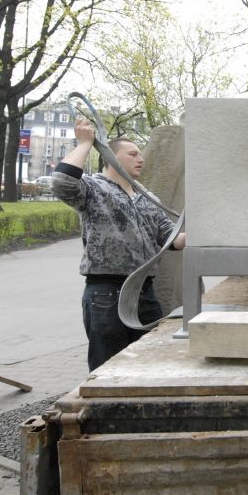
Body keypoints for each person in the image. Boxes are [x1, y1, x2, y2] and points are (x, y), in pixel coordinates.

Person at [53, 117, 186, 371]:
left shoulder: (146, 198)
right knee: (108, 368)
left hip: (144, 295)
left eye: (140, 154)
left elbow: (172, 240)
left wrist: (202, 231)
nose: (140, 159)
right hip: (106, 294)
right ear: (111, 158)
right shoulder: (95, 189)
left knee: (150, 363)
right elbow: (62, 183)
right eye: (133, 154)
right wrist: (85, 143)